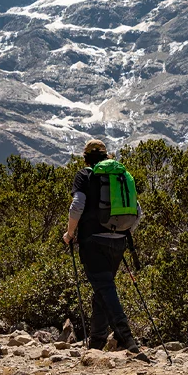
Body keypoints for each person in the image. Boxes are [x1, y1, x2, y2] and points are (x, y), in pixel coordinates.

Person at [63, 139, 147, 359]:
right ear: (106, 155)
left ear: (85, 157)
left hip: (93, 241)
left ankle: (127, 339)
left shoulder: (85, 175)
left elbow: (77, 205)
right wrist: (120, 230)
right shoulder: (119, 176)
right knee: (103, 290)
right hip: (119, 241)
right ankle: (97, 344)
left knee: (105, 289)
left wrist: (70, 234)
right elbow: (137, 211)